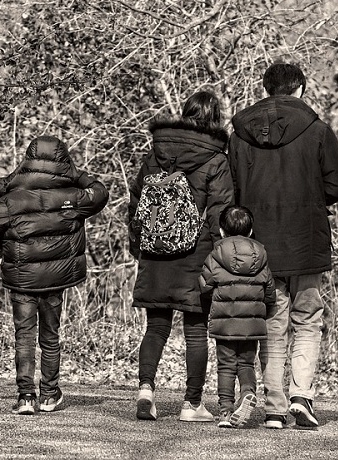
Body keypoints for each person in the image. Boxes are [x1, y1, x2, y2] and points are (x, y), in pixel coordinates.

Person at [227, 63, 338, 429]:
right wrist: (311, 199)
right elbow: (337, 184)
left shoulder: (240, 134)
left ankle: (275, 408)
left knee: (272, 323)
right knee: (308, 320)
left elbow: (232, 190)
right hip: (306, 239)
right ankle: (301, 396)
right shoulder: (317, 130)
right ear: (300, 89)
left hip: (260, 242)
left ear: (267, 89)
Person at [0, 135, 109, 415]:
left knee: (24, 336)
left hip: (22, 279)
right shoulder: (73, 198)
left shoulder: (11, 199)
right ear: (63, 162)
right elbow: (100, 192)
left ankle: (25, 397)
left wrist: (1, 254)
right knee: (50, 336)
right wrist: (76, 174)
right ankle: (48, 395)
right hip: (56, 278)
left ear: (28, 161)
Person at [128, 90, 234, 422]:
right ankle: (191, 404)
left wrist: (138, 245)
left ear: (185, 114)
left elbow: (137, 202)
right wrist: (220, 259)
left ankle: (146, 391)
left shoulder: (156, 152)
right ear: (215, 119)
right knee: (195, 330)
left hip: (155, 249)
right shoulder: (216, 159)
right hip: (195, 253)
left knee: (156, 327)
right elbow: (219, 212)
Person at [199, 205, 275, 428]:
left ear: (222, 231)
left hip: (225, 322)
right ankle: (248, 392)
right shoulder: (261, 255)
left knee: (226, 365)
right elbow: (270, 292)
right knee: (246, 363)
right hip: (252, 323)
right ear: (250, 231)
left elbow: (204, 285)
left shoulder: (216, 254)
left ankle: (225, 411)